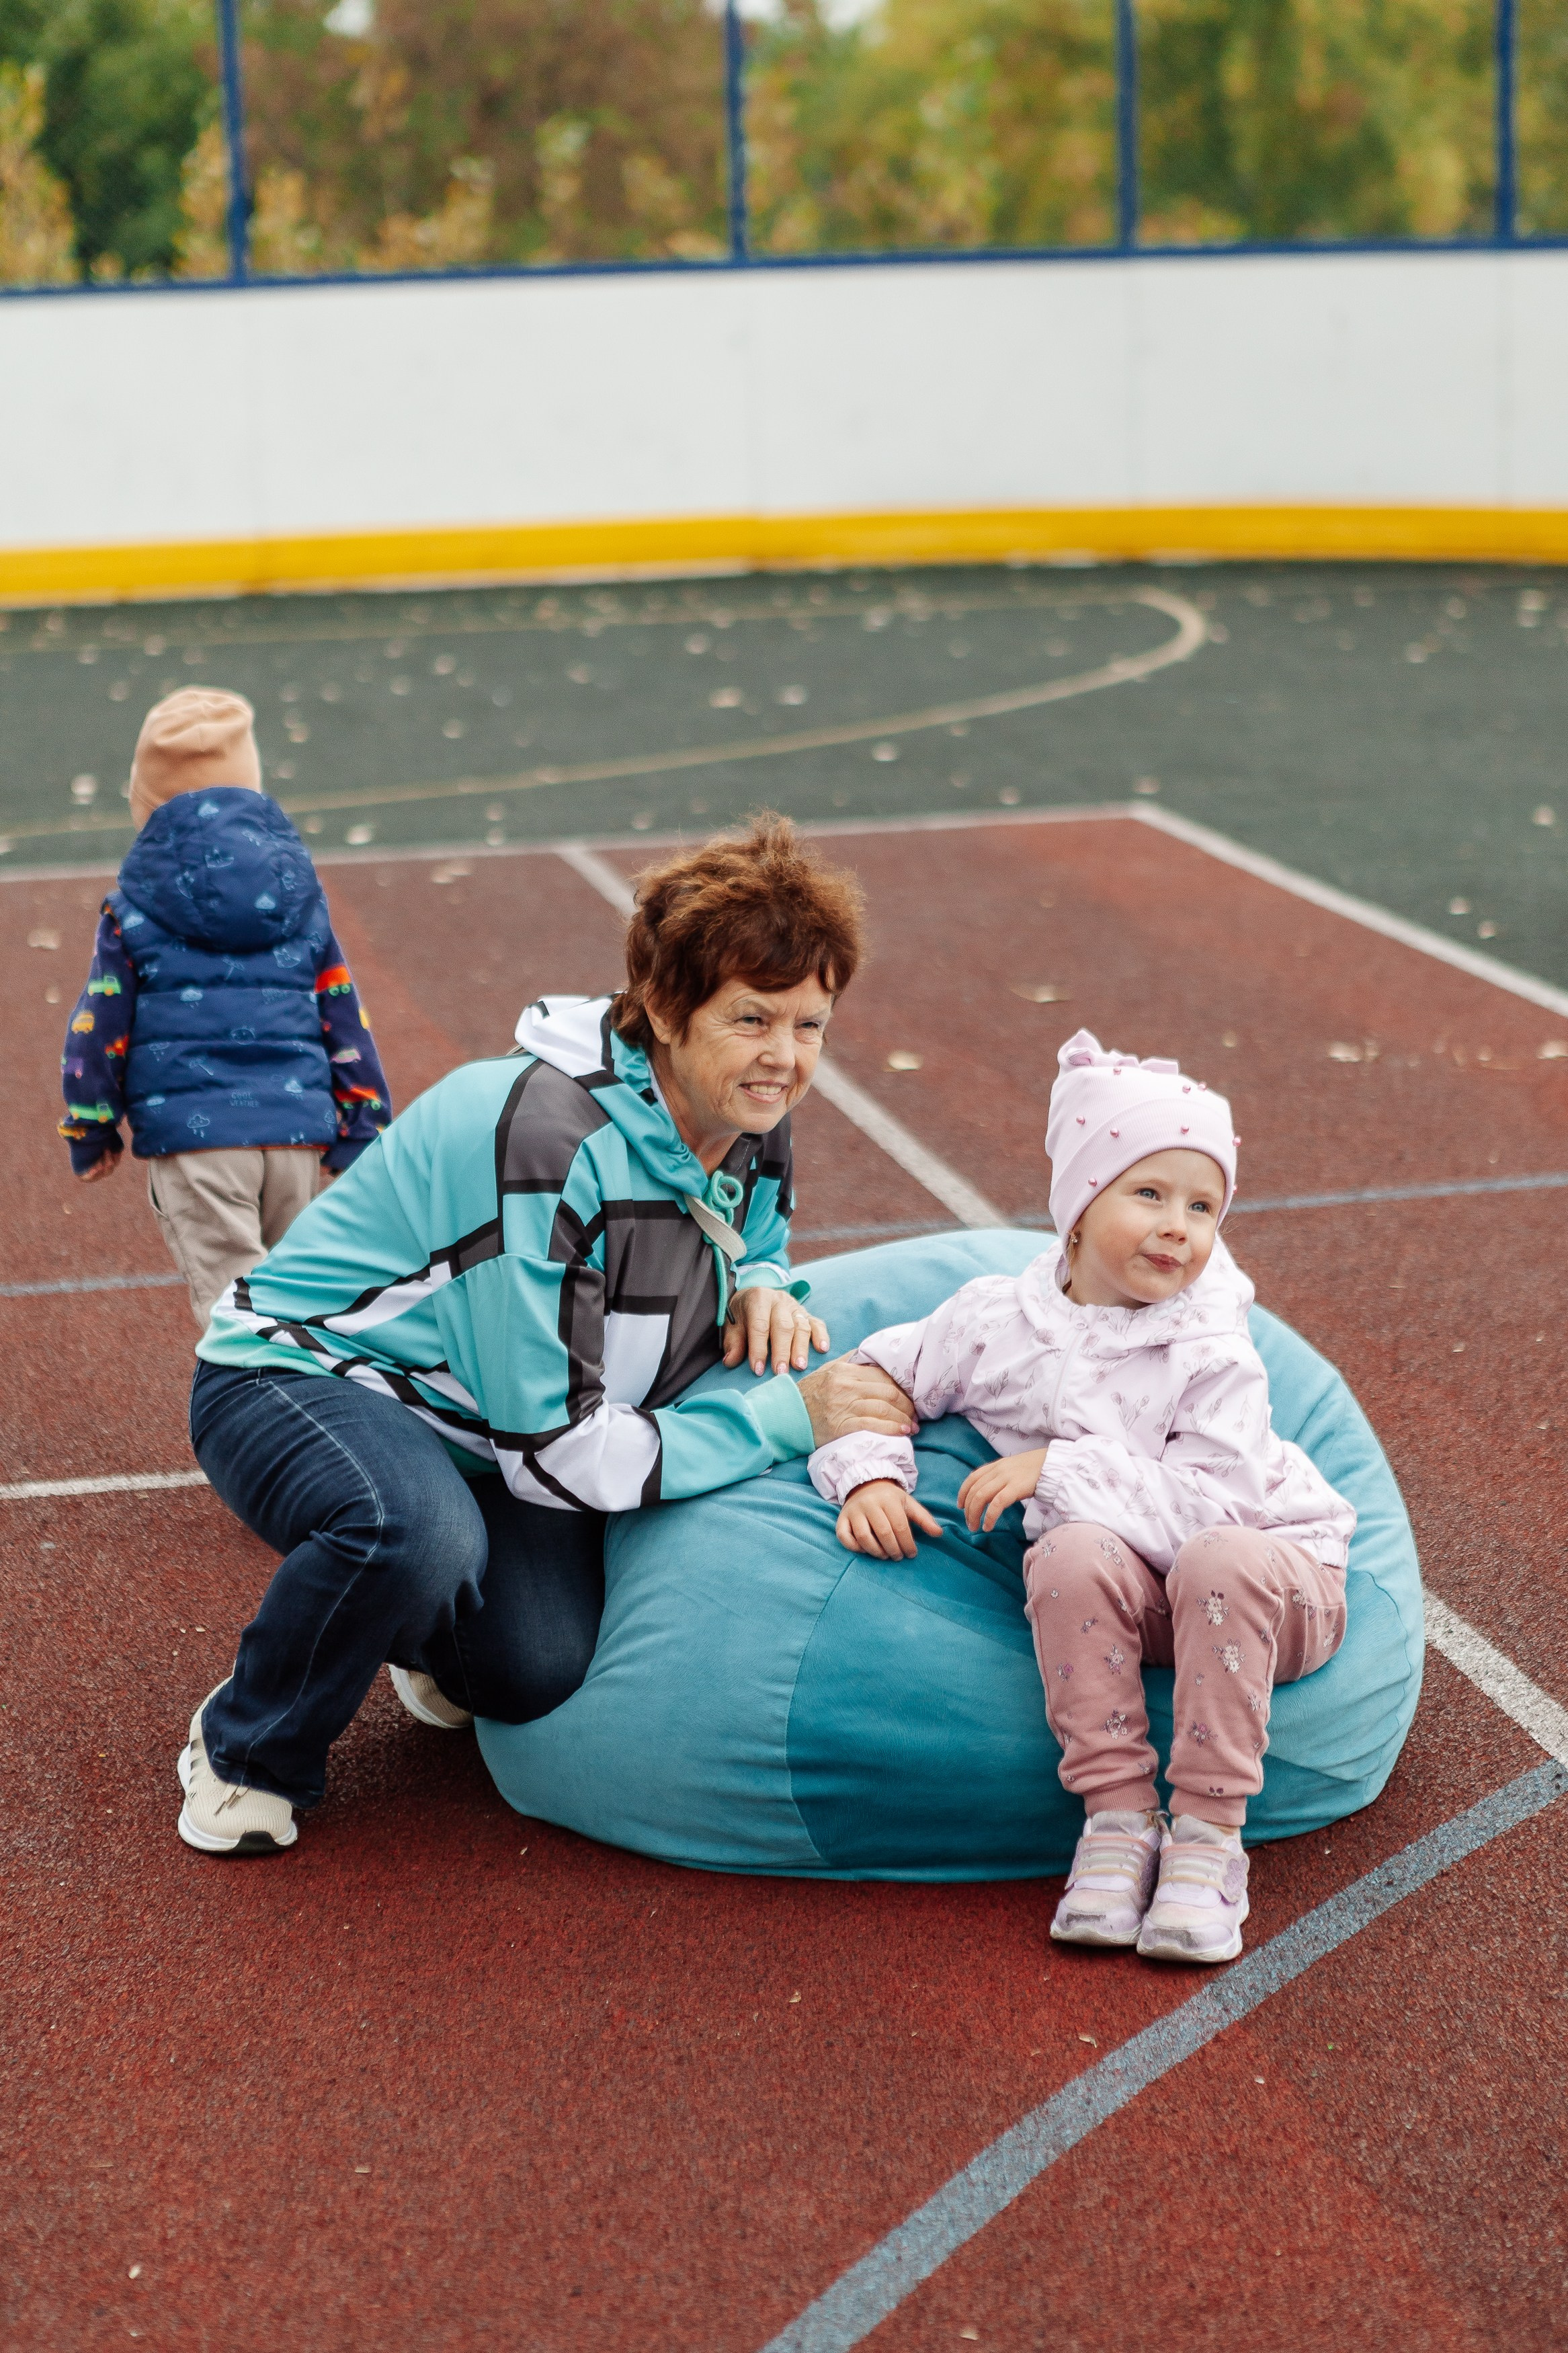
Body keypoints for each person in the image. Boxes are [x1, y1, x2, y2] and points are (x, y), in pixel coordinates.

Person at [175, 815, 917, 1858]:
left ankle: (404, 1621)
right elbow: (558, 1457)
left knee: (534, 1672)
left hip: (489, 1417)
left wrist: (759, 1278)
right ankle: (250, 1743)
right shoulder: (537, 1138)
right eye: (753, 1019)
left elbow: (752, 1230)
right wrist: (783, 1419)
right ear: (663, 1005)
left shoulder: (749, 1113)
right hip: (308, 1377)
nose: (786, 1059)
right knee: (411, 1535)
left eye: (811, 1026)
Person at [807, 1029, 1356, 1965]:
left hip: (1270, 1581)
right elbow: (871, 1375)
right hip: (1147, 1604)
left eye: (1203, 1206)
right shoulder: (996, 1322)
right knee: (1061, 1552)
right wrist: (867, 1474)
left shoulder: (1210, 1349)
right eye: (1148, 1193)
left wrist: (1057, 1467)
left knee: (1212, 1559)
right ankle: (1116, 1822)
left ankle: (1209, 1840)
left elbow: (1214, 1513)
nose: (1178, 1226)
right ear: (1076, 1206)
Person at [56, 687, 390, 1326]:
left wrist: (90, 1124)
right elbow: (343, 1013)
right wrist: (364, 1120)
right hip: (295, 1135)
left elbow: (98, 1028)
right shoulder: (299, 893)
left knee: (232, 1318)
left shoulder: (133, 903)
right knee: (295, 1307)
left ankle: (263, 1423)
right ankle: (315, 1412)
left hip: (196, 1141)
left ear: (145, 801)